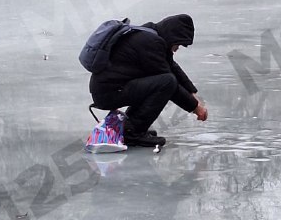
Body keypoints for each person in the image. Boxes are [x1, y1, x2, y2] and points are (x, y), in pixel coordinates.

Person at [89, 13, 208, 147]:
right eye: (178, 44)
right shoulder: (151, 42)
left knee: (161, 81)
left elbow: (171, 66)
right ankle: (132, 133)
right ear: (172, 37)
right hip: (110, 93)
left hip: (111, 89)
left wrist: (192, 92)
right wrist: (195, 107)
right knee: (166, 83)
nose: (177, 49)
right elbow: (170, 83)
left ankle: (129, 126)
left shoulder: (149, 35)